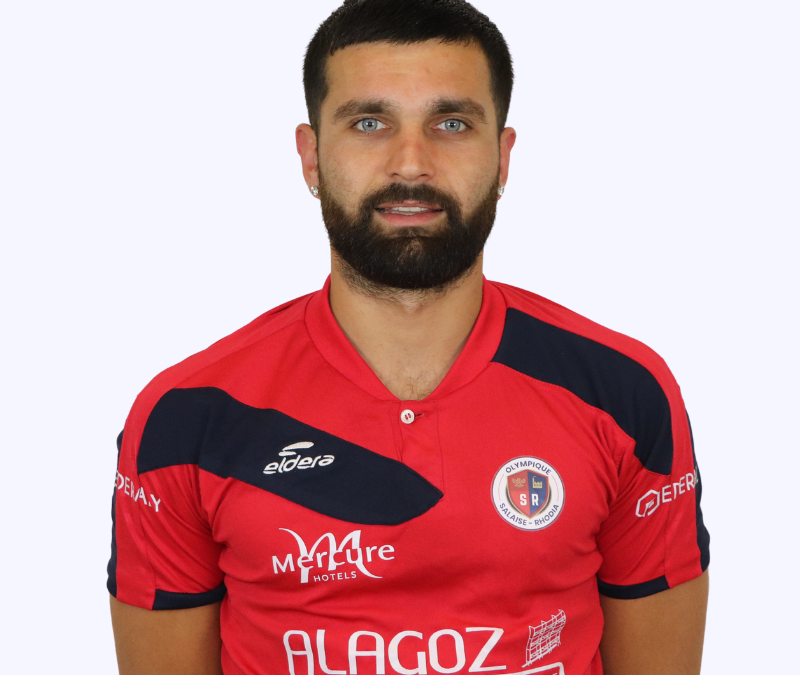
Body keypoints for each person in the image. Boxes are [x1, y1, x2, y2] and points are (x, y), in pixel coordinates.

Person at [108, 1, 710, 674]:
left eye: (452, 124)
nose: (411, 162)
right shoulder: (186, 417)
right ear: (310, 157)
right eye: (369, 123)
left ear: (502, 157)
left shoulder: (623, 394)